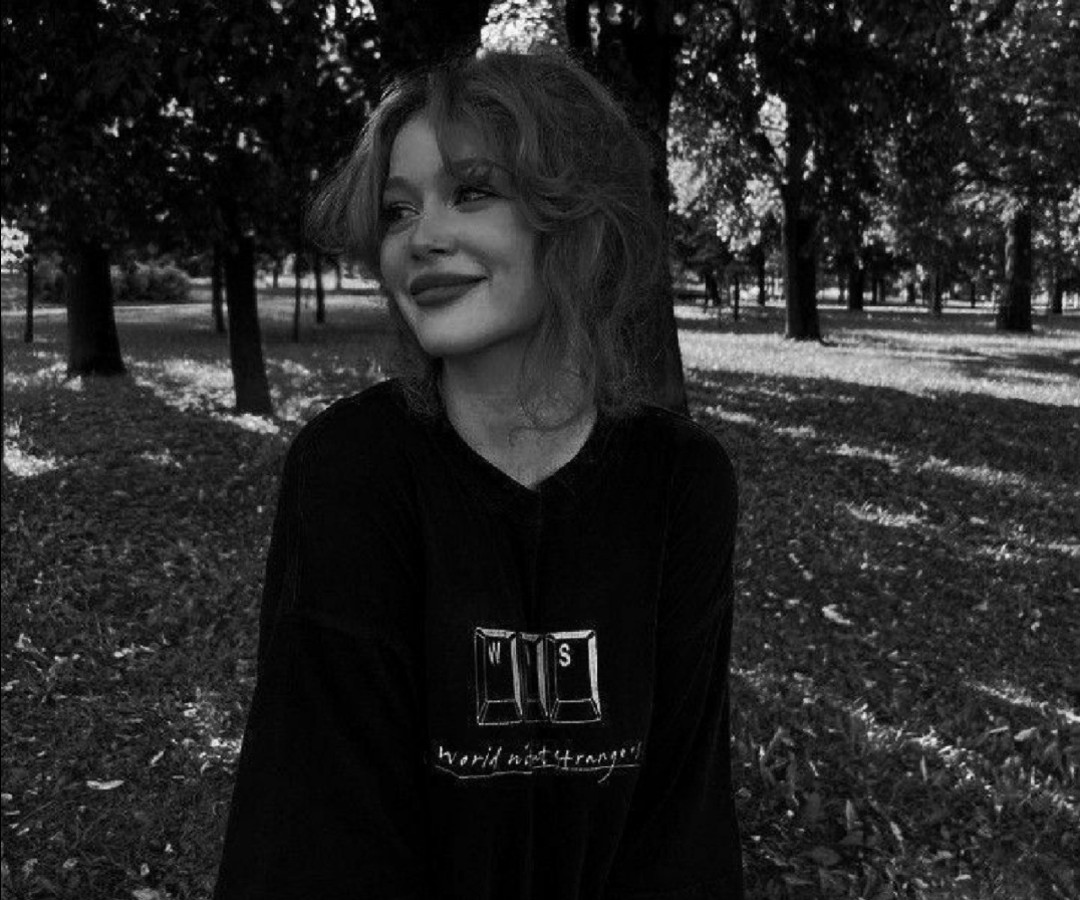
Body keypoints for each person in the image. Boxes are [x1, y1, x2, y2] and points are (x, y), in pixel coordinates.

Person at [213, 48, 743, 899]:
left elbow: (682, 828)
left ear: (576, 220)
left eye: (471, 192)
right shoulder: (350, 473)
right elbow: (317, 828)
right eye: (397, 210)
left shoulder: (680, 482)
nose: (420, 238)